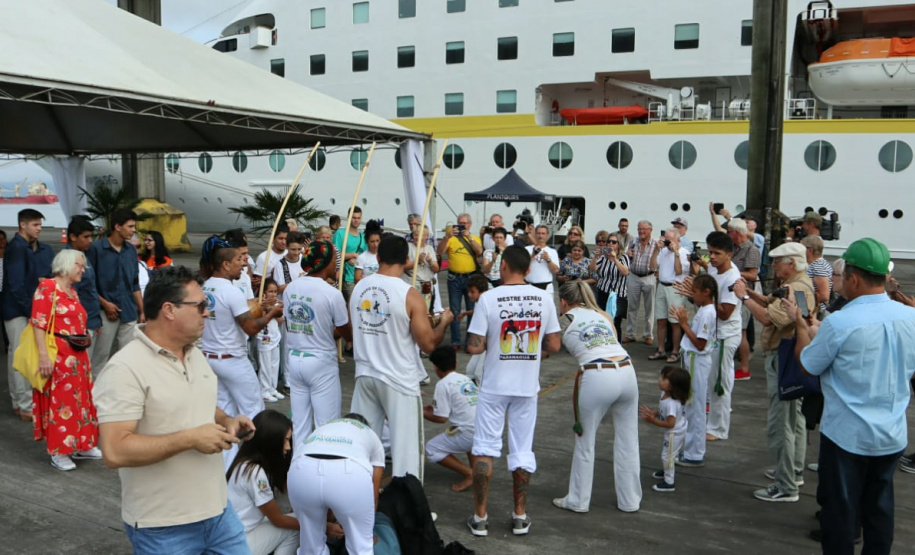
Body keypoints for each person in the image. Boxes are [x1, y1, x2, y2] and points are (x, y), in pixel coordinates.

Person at [94, 266, 256, 554]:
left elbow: (200, 402)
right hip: (163, 527)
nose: (207, 312)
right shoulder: (124, 369)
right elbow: (114, 451)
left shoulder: (194, 353)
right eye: (201, 305)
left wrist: (227, 420)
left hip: (219, 512)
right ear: (169, 309)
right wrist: (190, 439)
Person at [793, 238, 915, 555]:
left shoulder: (840, 321)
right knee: (879, 511)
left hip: (847, 436)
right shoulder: (910, 317)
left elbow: (808, 366)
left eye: (842, 275)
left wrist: (804, 332)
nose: (840, 281)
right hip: (891, 434)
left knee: (839, 516)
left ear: (855, 278)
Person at [466, 245, 561, 537]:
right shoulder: (544, 299)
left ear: (503, 266)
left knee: (484, 447)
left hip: (494, 385)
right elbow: (555, 345)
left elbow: (474, 346)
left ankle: (480, 518)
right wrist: (532, 353)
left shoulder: (488, 298)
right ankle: (520, 515)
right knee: (522, 449)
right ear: (529, 270)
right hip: (525, 386)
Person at [350, 235, 453, 480]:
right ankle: (409, 508)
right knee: (407, 450)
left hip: (365, 374)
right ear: (407, 260)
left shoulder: (359, 287)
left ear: (377, 257)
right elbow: (428, 344)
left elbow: (354, 328)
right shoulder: (409, 293)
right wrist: (444, 323)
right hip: (398, 379)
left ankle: (359, 499)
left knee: (363, 443)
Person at [733, 242, 814, 503]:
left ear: (792, 263)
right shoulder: (802, 285)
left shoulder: (797, 287)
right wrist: (753, 294)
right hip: (793, 359)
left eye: (778, 261)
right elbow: (778, 305)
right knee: (796, 420)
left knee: (781, 424)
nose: (775, 266)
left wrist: (744, 298)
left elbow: (771, 318)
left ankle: (786, 485)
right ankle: (794, 470)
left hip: (782, 358)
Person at [552, 280, 641, 514]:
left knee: (585, 441)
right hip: (626, 370)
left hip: (597, 374)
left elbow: (549, 347)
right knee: (628, 439)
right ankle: (630, 500)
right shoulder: (602, 314)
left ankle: (578, 500)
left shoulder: (564, 320)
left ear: (563, 302)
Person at [200, 236, 284, 425]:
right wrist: (272, 314)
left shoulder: (205, 287)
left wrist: (257, 305)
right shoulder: (231, 292)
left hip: (210, 358)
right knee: (253, 410)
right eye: (239, 259)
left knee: (225, 412)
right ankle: (252, 452)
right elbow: (251, 328)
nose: (243, 263)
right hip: (233, 360)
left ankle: (228, 454)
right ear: (226, 264)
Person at [31, 250, 100, 471]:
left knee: (82, 401)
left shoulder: (71, 291)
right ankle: (59, 451)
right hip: (58, 355)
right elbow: (38, 324)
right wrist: (43, 356)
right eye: (80, 265)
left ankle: (82, 444)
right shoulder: (47, 288)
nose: (83, 269)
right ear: (67, 264)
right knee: (62, 403)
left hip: (77, 356)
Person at [283, 240, 351, 443]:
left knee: (300, 425)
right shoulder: (332, 293)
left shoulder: (290, 288)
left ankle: (297, 468)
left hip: (295, 359)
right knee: (326, 427)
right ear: (325, 263)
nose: (336, 265)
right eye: (334, 261)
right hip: (321, 361)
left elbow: (294, 324)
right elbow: (347, 333)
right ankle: (323, 471)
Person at [288, 414, 384, 555]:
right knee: (361, 548)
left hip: (301, 469)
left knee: (311, 547)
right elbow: (373, 496)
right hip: (348, 473)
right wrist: (364, 530)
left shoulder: (324, 428)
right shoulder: (371, 435)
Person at [226, 409, 299, 555]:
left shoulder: (242, 463)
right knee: (294, 527)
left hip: (229, 539)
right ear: (270, 441)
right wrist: (322, 526)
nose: (288, 447)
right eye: (284, 441)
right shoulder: (254, 473)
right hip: (236, 545)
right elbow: (278, 520)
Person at [4, 209, 54, 420]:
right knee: (20, 356)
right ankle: (24, 405)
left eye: (40, 225)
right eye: (35, 224)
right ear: (22, 225)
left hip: (20, 309)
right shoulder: (17, 248)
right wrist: (31, 312)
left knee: (18, 354)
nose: (39, 228)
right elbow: (16, 286)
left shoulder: (23, 247)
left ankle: (21, 403)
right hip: (18, 310)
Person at [87, 208, 144, 374]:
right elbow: (89, 284)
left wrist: (141, 310)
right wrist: (105, 304)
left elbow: (134, 283)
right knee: (100, 358)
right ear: (118, 227)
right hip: (106, 313)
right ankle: (95, 397)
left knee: (128, 359)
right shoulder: (96, 249)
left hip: (129, 311)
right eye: (130, 226)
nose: (134, 230)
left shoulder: (131, 250)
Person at [670, 274, 717, 466]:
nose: (692, 295)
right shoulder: (705, 308)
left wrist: (683, 324)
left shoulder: (707, 313)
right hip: (693, 359)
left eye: (695, 292)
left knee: (695, 407)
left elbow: (699, 343)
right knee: (690, 405)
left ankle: (695, 453)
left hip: (697, 359)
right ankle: (691, 449)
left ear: (706, 292)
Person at [423, 345, 479, 492]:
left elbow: (441, 418)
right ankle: (477, 473)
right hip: (483, 427)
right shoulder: (465, 379)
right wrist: (433, 409)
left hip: (468, 432)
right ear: (455, 363)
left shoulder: (443, 384)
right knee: (469, 440)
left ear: (435, 368)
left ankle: (470, 473)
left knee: (431, 448)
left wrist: (420, 411)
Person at [639, 366, 691, 493]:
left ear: (673, 386)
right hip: (674, 432)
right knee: (668, 454)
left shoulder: (672, 404)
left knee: (667, 456)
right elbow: (664, 411)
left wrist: (653, 420)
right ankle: (667, 469)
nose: (659, 380)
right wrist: (655, 413)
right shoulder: (665, 395)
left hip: (674, 433)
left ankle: (669, 482)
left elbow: (670, 424)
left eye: (664, 379)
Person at [437, 213, 482, 349]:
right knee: (455, 310)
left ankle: (469, 341)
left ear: (470, 224)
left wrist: (469, 237)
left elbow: (479, 252)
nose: (462, 226)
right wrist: (448, 236)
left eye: (465, 223)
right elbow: (440, 251)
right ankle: (455, 341)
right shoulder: (451, 239)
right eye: (459, 223)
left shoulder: (474, 238)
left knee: (471, 310)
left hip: (470, 278)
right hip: (454, 277)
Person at [648, 228, 689, 363]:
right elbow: (652, 267)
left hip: (675, 288)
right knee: (661, 320)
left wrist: (676, 253)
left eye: (669, 239)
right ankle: (661, 349)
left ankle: (675, 351)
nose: (666, 242)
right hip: (662, 285)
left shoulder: (684, 253)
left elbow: (678, 271)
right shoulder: (663, 251)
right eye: (665, 239)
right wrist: (656, 250)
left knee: (675, 322)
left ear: (677, 240)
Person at [727, 218, 760, 381]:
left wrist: (733, 272)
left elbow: (753, 275)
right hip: (731, 293)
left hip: (743, 295)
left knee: (742, 331)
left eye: (729, 232)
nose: (728, 234)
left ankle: (745, 367)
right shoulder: (733, 248)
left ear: (737, 233)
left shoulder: (751, 250)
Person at [67, 217, 102, 360]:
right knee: (82, 366)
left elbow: (90, 291)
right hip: (81, 325)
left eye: (91, 236)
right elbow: (72, 297)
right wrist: (82, 327)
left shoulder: (83, 256)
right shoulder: (69, 261)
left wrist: (96, 321)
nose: (90, 240)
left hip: (90, 320)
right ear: (73, 237)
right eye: (86, 237)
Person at [623, 221, 657, 345]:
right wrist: (627, 254)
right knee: (632, 307)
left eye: (644, 229)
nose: (641, 231)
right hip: (634, 276)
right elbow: (626, 257)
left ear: (650, 230)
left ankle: (648, 335)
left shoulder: (655, 244)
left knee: (649, 307)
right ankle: (630, 334)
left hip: (649, 276)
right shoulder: (633, 242)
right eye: (639, 229)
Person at [591, 231, 630, 338]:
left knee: (615, 322)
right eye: (609, 241)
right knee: (602, 320)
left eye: (614, 242)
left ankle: (617, 346)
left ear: (619, 245)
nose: (611, 244)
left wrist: (615, 259)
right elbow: (592, 270)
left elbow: (625, 272)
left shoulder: (623, 257)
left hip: (618, 295)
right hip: (603, 291)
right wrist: (595, 257)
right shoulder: (603, 257)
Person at [458, 273, 490, 385]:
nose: (469, 295)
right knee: (470, 370)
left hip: (487, 344)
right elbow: (477, 312)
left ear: (482, 292)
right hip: (481, 343)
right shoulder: (479, 302)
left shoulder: (487, 301)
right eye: (469, 291)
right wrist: (466, 313)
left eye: (472, 292)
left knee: (479, 373)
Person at [257, 279, 284, 404]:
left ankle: (272, 388)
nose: (273, 294)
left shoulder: (278, 305)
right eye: (270, 291)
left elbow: (280, 320)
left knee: (274, 364)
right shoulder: (258, 304)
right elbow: (258, 316)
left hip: (275, 337)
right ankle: (264, 390)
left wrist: (274, 308)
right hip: (264, 337)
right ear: (264, 292)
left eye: (275, 291)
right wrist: (266, 308)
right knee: (265, 365)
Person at [333, 206, 366, 303]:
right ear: (348, 218)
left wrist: (357, 260)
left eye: (358, 218)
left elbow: (366, 257)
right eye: (354, 217)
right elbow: (335, 254)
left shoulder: (363, 237)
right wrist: (353, 255)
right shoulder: (340, 233)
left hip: (360, 277)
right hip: (346, 278)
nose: (356, 220)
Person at [404, 224, 440, 310]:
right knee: (412, 311)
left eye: (420, 235)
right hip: (412, 285)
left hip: (426, 287)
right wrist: (417, 261)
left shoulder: (430, 248)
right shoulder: (408, 247)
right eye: (415, 235)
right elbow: (403, 267)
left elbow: (436, 269)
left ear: (426, 236)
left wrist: (430, 262)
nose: (417, 237)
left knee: (425, 312)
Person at [800, 235, 832, 314]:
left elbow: (824, 295)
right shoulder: (814, 265)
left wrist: (801, 301)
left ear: (810, 250)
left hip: (812, 311)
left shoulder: (819, 266)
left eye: (801, 248)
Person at [525, 225, 560, 292]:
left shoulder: (552, 251)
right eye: (538, 233)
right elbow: (522, 267)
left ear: (547, 235)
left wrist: (548, 260)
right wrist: (532, 255)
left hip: (546, 287)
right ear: (535, 234)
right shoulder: (527, 249)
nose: (540, 236)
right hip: (530, 285)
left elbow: (556, 271)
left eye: (543, 233)